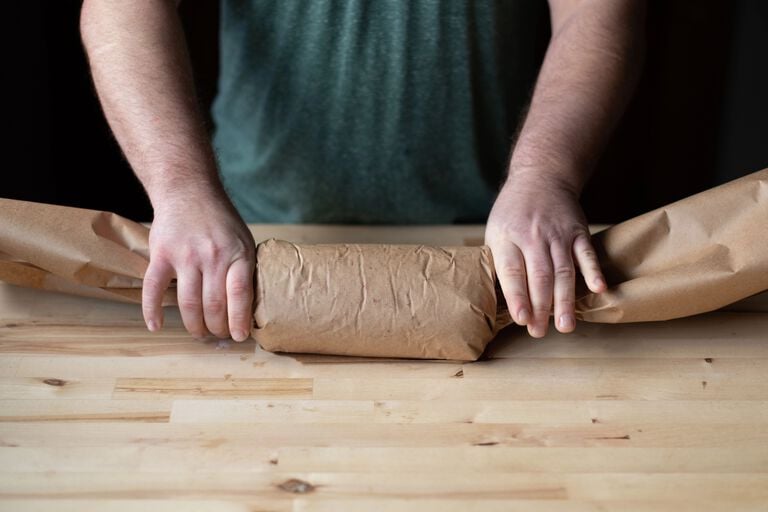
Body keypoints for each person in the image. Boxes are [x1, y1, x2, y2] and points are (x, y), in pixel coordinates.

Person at [80, 0, 646, 342]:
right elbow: (122, 7)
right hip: (253, 244)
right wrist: (181, 189)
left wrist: (544, 173)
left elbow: (595, 14)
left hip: (499, 249)